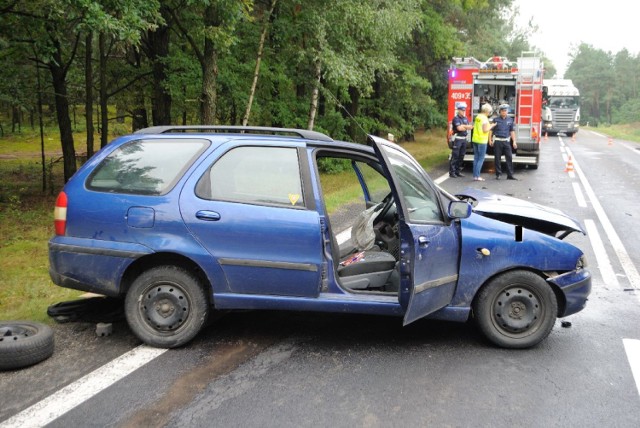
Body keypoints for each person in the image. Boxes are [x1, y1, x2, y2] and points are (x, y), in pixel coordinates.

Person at [490, 104, 518, 180]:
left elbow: (512, 131)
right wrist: (490, 140)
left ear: (507, 111)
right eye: (502, 111)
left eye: (505, 111)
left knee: (509, 158)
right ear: (500, 111)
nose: (504, 112)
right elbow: (491, 131)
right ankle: (498, 174)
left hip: (506, 141)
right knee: (497, 158)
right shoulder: (495, 120)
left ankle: (510, 175)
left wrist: (514, 141)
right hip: (498, 141)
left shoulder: (510, 120)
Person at [471, 103, 496, 181]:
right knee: (481, 159)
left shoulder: (478, 116)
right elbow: (485, 130)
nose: (489, 113)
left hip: (475, 139)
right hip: (482, 141)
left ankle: (475, 175)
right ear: (487, 111)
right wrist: (492, 126)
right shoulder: (484, 119)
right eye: (489, 111)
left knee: (476, 158)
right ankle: (477, 176)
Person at [449, 102, 473, 178]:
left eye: (464, 110)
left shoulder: (465, 118)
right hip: (457, 139)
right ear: (458, 110)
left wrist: (463, 126)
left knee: (461, 156)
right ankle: (452, 172)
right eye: (462, 110)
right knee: (455, 156)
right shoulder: (456, 119)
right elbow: (459, 128)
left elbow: (470, 127)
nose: (463, 112)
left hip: (464, 139)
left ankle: (458, 171)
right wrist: (464, 127)